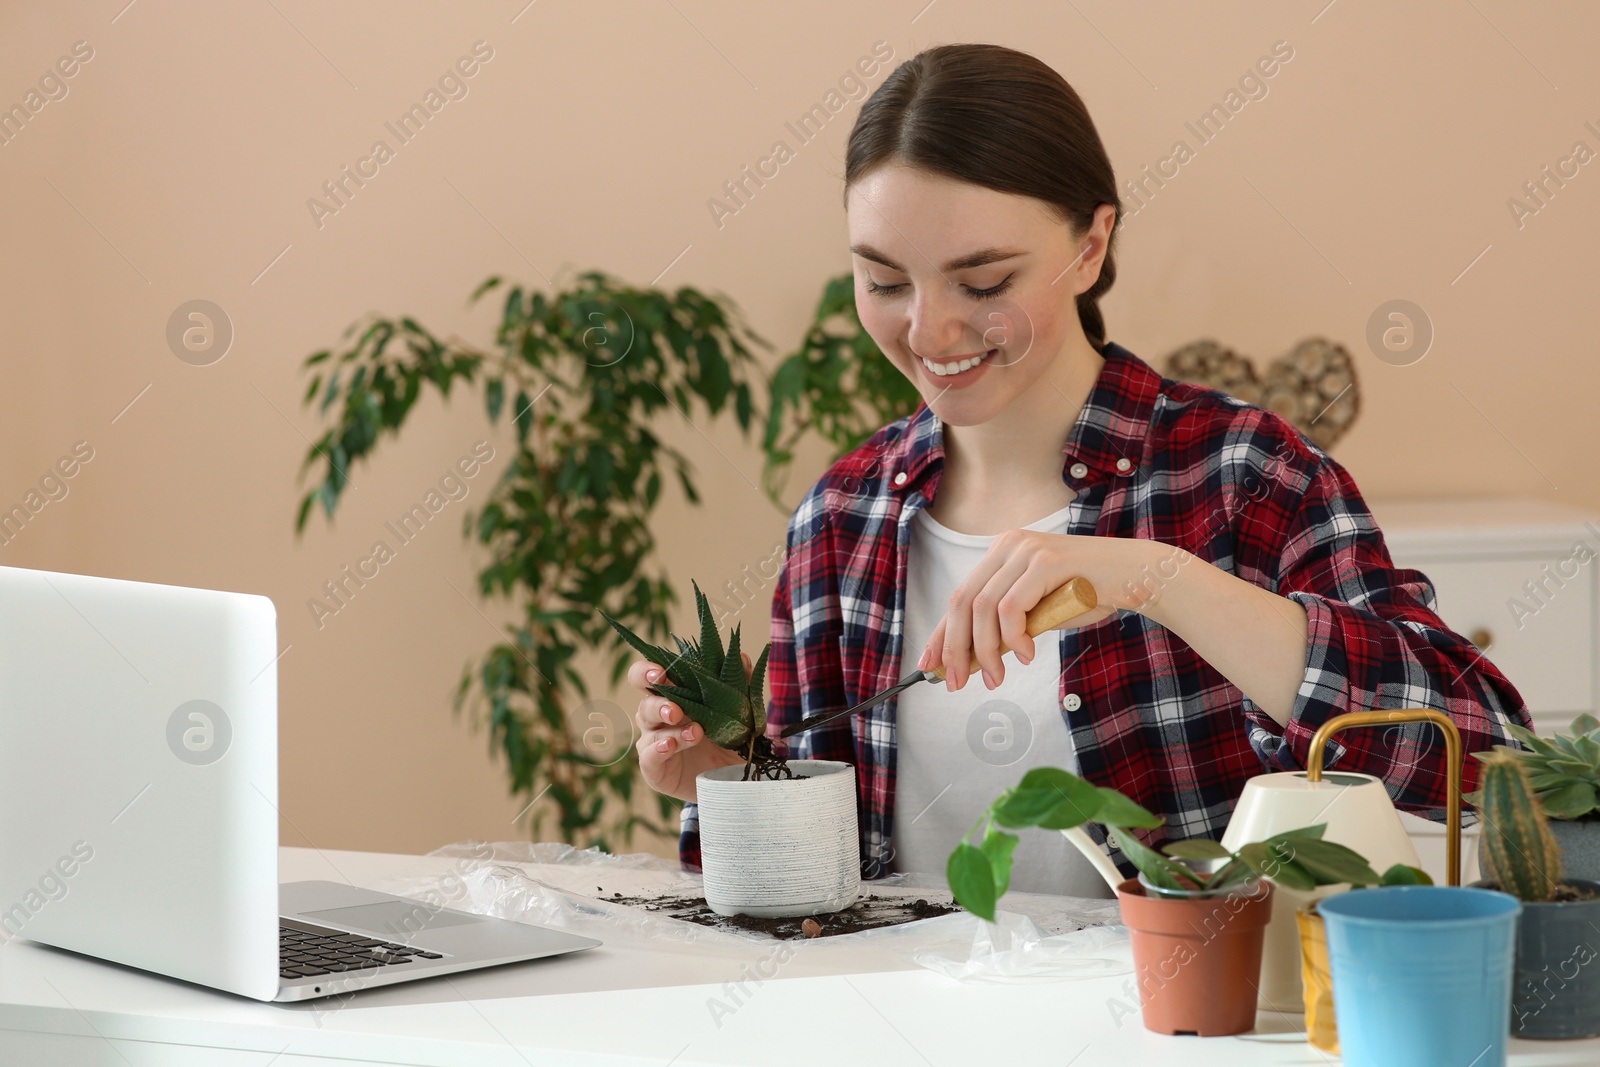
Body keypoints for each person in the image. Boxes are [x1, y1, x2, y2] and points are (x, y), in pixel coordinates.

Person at [624, 43, 1531, 897]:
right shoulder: (839, 522)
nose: (928, 331)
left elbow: (1486, 763)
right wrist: (733, 786)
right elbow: (801, 914)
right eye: (885, 281)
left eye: (983, 283)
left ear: (1090, 247)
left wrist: (1156, 579)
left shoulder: (1246, 475)